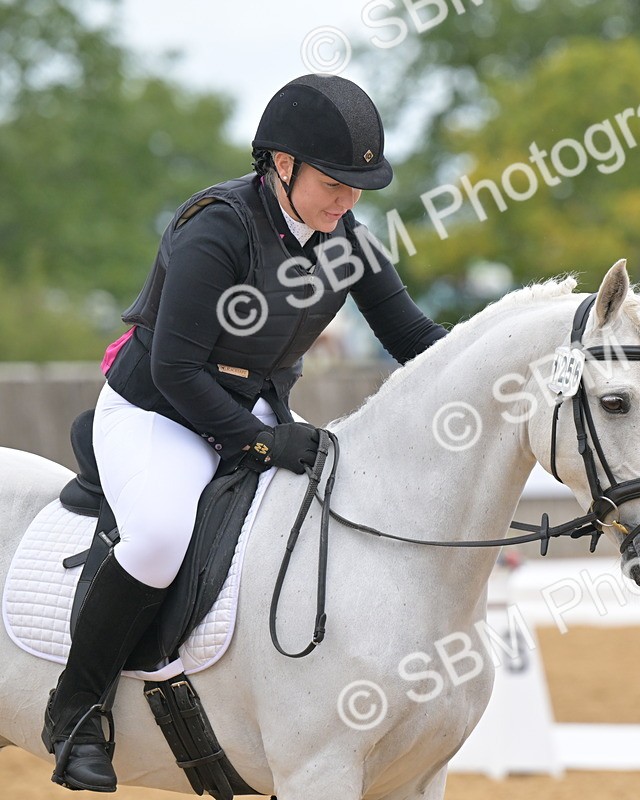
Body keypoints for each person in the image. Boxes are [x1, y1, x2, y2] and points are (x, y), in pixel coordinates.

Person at [42, 74, 448, 792]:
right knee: (162, 538)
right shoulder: (217, 226)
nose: (349, 200)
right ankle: (76, 711)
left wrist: (510, 349)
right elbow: (175, 368)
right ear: (282, 165)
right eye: (336, 183)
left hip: (251, 403)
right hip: (157, 411)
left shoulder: (345, 236)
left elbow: (414, 336)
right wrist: (263, 444)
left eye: (359, 187)